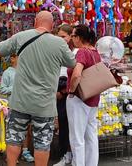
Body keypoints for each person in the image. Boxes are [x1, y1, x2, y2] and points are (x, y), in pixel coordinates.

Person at [0, 11, 76, 166]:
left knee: (14, 138)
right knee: (42, 142)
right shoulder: (59, 43)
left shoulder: (21, 36)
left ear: (35, 21)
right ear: (52, 25)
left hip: (20, 101)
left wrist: (14, 45)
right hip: (44, 104)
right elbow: (72, 63)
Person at [66, 24, 100, 166]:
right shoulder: (95, 52)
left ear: (79, 38)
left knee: (77, 137)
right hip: (93, 97)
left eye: (73, 36)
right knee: (91, 135)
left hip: (79, 98)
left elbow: (77, 74)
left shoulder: (82, 52)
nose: (72, 39)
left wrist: (71, 90)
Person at [0, 54, 34, 163]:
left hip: (26, 104)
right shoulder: (7, 73)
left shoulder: (27, 71)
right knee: (13, 131)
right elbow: (3, 89)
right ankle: (12, 155)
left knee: (27, 130)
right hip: (13, 105)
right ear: (13, 58)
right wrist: (14, 87)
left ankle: (25, 151)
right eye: (20, 56)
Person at [54, 24, 75, 166]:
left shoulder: (76, 52)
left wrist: (64, 91)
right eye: (58, 37)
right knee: (63, 123)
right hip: (59, 87)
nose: (61, 39)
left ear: (71, 37)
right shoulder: (56, 51)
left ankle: (70, 154)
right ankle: (65, 153)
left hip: (69, 89)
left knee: (71, 125)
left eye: (63, 37)